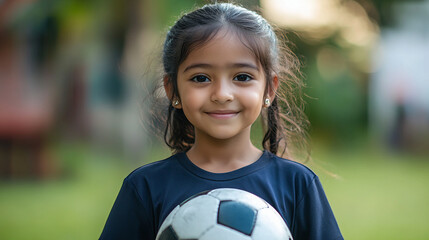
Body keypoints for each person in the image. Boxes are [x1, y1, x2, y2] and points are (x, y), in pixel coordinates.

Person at [99, 3, 343, 240]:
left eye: (242, 77)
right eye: (201, 78)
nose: (222, 94)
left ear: (269, 89)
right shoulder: (145, 188)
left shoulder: (297, 185)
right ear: (173, 91)